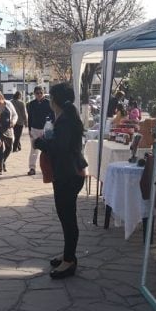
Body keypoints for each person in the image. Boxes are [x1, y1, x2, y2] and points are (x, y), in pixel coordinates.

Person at [33, 82, 87, 279]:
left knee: (68, 219)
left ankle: (69, 261)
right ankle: (67, 255)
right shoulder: (67, 117)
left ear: (55, 100)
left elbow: (60, 147)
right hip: (68, 173)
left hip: (68, 175)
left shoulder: (65, 121)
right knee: (66, 218)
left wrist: (41, 143)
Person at [26, 85, 53, 176]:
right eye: (37, 93)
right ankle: (32, 168)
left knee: (47, 149)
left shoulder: (48, 103)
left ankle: (48, 167)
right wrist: (29, 129)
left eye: (41, 93)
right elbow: (30, 117)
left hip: (46, 129)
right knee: (34, 149)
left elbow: (53, 115)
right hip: (34, 128)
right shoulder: (31, 104)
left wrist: (51, 126)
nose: (39, 95)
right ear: (34, 94)